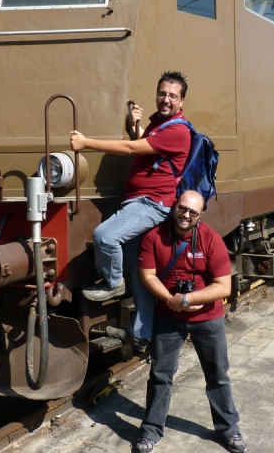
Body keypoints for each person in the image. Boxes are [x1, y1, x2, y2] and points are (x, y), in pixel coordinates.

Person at [70, 71, 191, 351]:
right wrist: (135, 126)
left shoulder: (177, 130)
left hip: (151, 203)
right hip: (139, 202)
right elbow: (142, 147)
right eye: (162, 93)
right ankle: (140, 335)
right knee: (140, 275)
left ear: (181, 101)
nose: (165, 99)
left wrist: (86, 143)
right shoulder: (159, 125)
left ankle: (113, 283)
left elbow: (129, 149)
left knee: (106, 236)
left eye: (172, 95)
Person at [133, 190, 246, 453]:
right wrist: (172, 299)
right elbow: (147, 276)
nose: (186, 215)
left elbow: (224, 287)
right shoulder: (154, 236)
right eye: (182, 208)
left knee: (217, 375)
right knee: (160, 375)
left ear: (200, 214)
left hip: (207, 318)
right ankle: (150, 431)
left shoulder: (210, 238)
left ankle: (229, 430)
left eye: (193, 212)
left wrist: (188, 299)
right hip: (169, 318)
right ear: (175, 206)